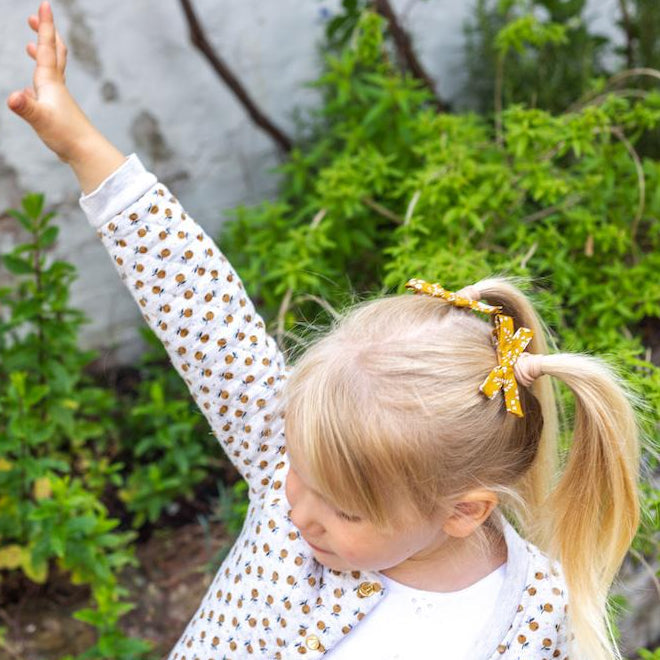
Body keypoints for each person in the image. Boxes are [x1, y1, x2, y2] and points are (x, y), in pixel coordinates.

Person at [7, 3, 641, 659]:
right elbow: (196, 303)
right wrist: (80, 143)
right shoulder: (293, 467)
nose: (300, 510)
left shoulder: (533, 620)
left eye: (343, 510)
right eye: (301, 477)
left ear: (463, 512)